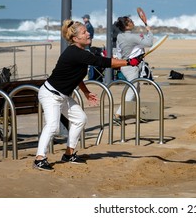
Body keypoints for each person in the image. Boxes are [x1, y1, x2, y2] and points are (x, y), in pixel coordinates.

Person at [33, 19, 142, 171]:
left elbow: (76, 75)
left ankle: (69, 154)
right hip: (50, 95)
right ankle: (39, 158)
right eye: (84, 32)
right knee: (52, 125)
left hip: (63, 96)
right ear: (76, 38)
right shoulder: (75, 53)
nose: (88, 33)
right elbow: (102, 62)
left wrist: (85, 92)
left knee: (80, 119)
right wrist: (129, 62)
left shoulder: (81, 53)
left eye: (87, 31)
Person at [114, 16, 153, 121]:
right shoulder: (132, 37)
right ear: (126, 26)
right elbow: (149, 43)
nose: (133, 22)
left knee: (136, 89)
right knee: (133, 90)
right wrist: (149, 31)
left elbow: (120, 50)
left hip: (124, 64)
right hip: (131, 67)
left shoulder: (120, 36)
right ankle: (118, 115)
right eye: (130, 21)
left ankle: (134, 113)